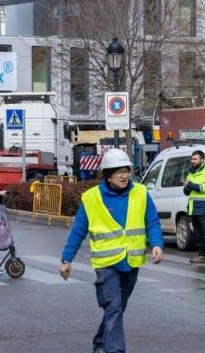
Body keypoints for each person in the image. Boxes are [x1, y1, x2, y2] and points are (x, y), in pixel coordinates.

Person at [59, 149, 163, 353]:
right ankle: (115, 350)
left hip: (131, 263)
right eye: (118, 172)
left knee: (116, 309)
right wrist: (66, 259)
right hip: (106, 265)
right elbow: (78, 231)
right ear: (108, 174)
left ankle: (99, 344)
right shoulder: (92, 198)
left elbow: (152, 222)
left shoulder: (141, 192)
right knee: (114, 307)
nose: (124, 175)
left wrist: (157, 244)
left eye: (126, 171)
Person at [182, 150, 205, 265]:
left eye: (195, 159)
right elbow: (186, 192)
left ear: (202, 160)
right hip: (193, 208)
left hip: (204, 207)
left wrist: (190, 185)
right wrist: (187, 187)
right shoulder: (191, 173)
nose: (193, 161)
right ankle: (202, 255)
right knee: (198, 234)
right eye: (192, 159)